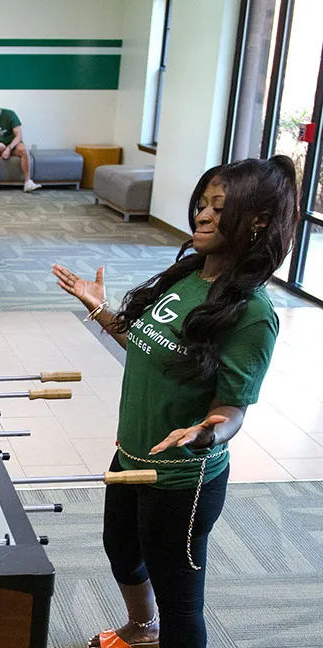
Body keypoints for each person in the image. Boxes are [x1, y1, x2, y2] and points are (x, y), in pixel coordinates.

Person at [52, 156, 299, 648]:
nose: (202, 215)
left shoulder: (251, 314)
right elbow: (148, 345)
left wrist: (207, 432)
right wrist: (99, 308)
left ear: (257, 221)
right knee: (122, 551)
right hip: (132, 454)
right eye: (202, 204)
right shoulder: (187, 277)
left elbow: (232, 411)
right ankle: (142, 630)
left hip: (181, 479)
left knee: (180, 601)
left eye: (218, 208)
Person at [0, 95, 40, 194]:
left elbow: (18, 136)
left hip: (13, 145)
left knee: (24, 149)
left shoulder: (10, 114)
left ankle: (28, 182)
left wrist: (9, 148)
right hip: (0, 147)